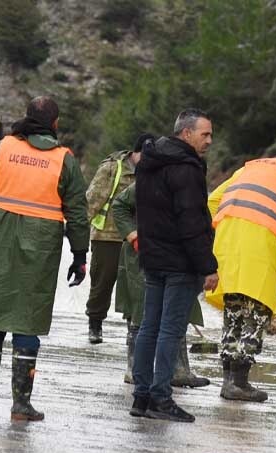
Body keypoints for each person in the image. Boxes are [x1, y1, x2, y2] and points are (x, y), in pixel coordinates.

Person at [0, 96, 90, 422]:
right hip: (40, 247)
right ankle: (21, 405)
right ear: (55, 124)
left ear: (26, 118)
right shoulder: (64, 160)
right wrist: (80, 255)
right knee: (28, 318)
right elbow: (77, 213)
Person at [206, 142, 276, 403]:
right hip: (259, 250)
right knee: (257, 315)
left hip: (227, 246)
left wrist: (217, 233)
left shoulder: (251, 168)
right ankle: (240, 383)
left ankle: (228, 381)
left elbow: (212, 201)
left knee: (233, 312)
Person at [130, 108, 219, 422]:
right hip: (179, 262)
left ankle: (141, 396)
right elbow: (191, 222)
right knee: (170, 330)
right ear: (186, 133)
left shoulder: (149, 163)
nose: (209, 140)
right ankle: (161, 397)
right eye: (205, 134)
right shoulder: (186, 168)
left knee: (149, 328)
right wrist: (208, 266)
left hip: (153, 258)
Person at [110, 151, 210, 389]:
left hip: (176, 258)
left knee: (177, 313)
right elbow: (119, 205)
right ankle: (135, 370)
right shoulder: (154, 180)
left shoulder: (191, 184)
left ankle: (178, 371)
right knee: (141, 312)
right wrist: (134, 236)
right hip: (144, 256)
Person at [83, 133, 154, 344]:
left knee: (135, 285)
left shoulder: (153, 170)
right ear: (135, 153)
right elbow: (93, 199)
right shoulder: (113, 168)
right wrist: (79, 230)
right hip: (108, 235)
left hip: (136, 238)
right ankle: (95, 322)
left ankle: (133, 326)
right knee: (102, 283)